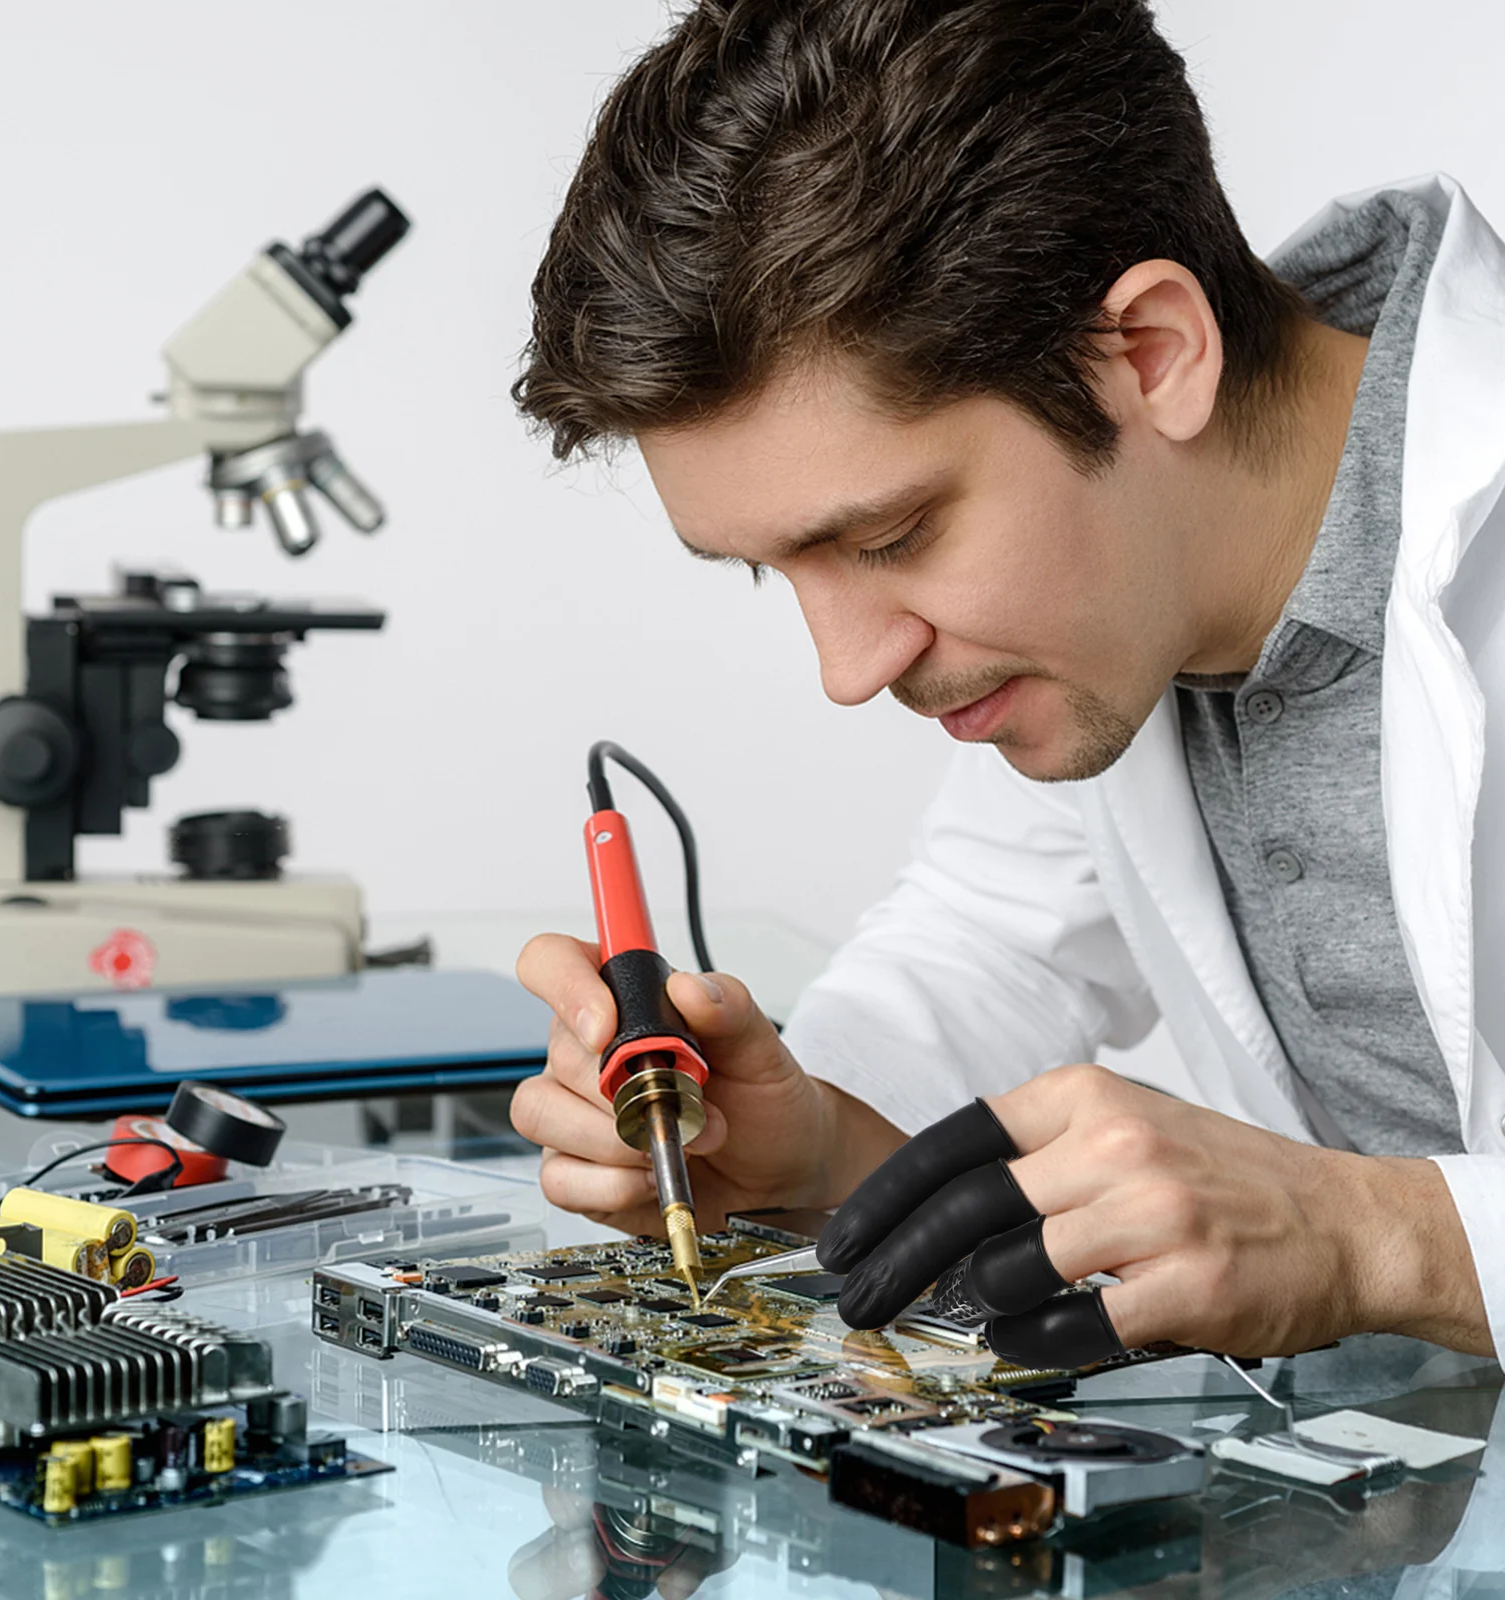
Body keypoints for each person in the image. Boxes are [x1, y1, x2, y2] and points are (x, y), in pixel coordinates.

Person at [506, 0, 1505, 1366]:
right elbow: (987, 937)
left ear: (1150, 354)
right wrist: (795, 1126)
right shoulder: (1125, 611)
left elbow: (1375, 1236)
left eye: (889, 538)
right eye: (768, 570)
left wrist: (1383, 1238)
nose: (848, 671)